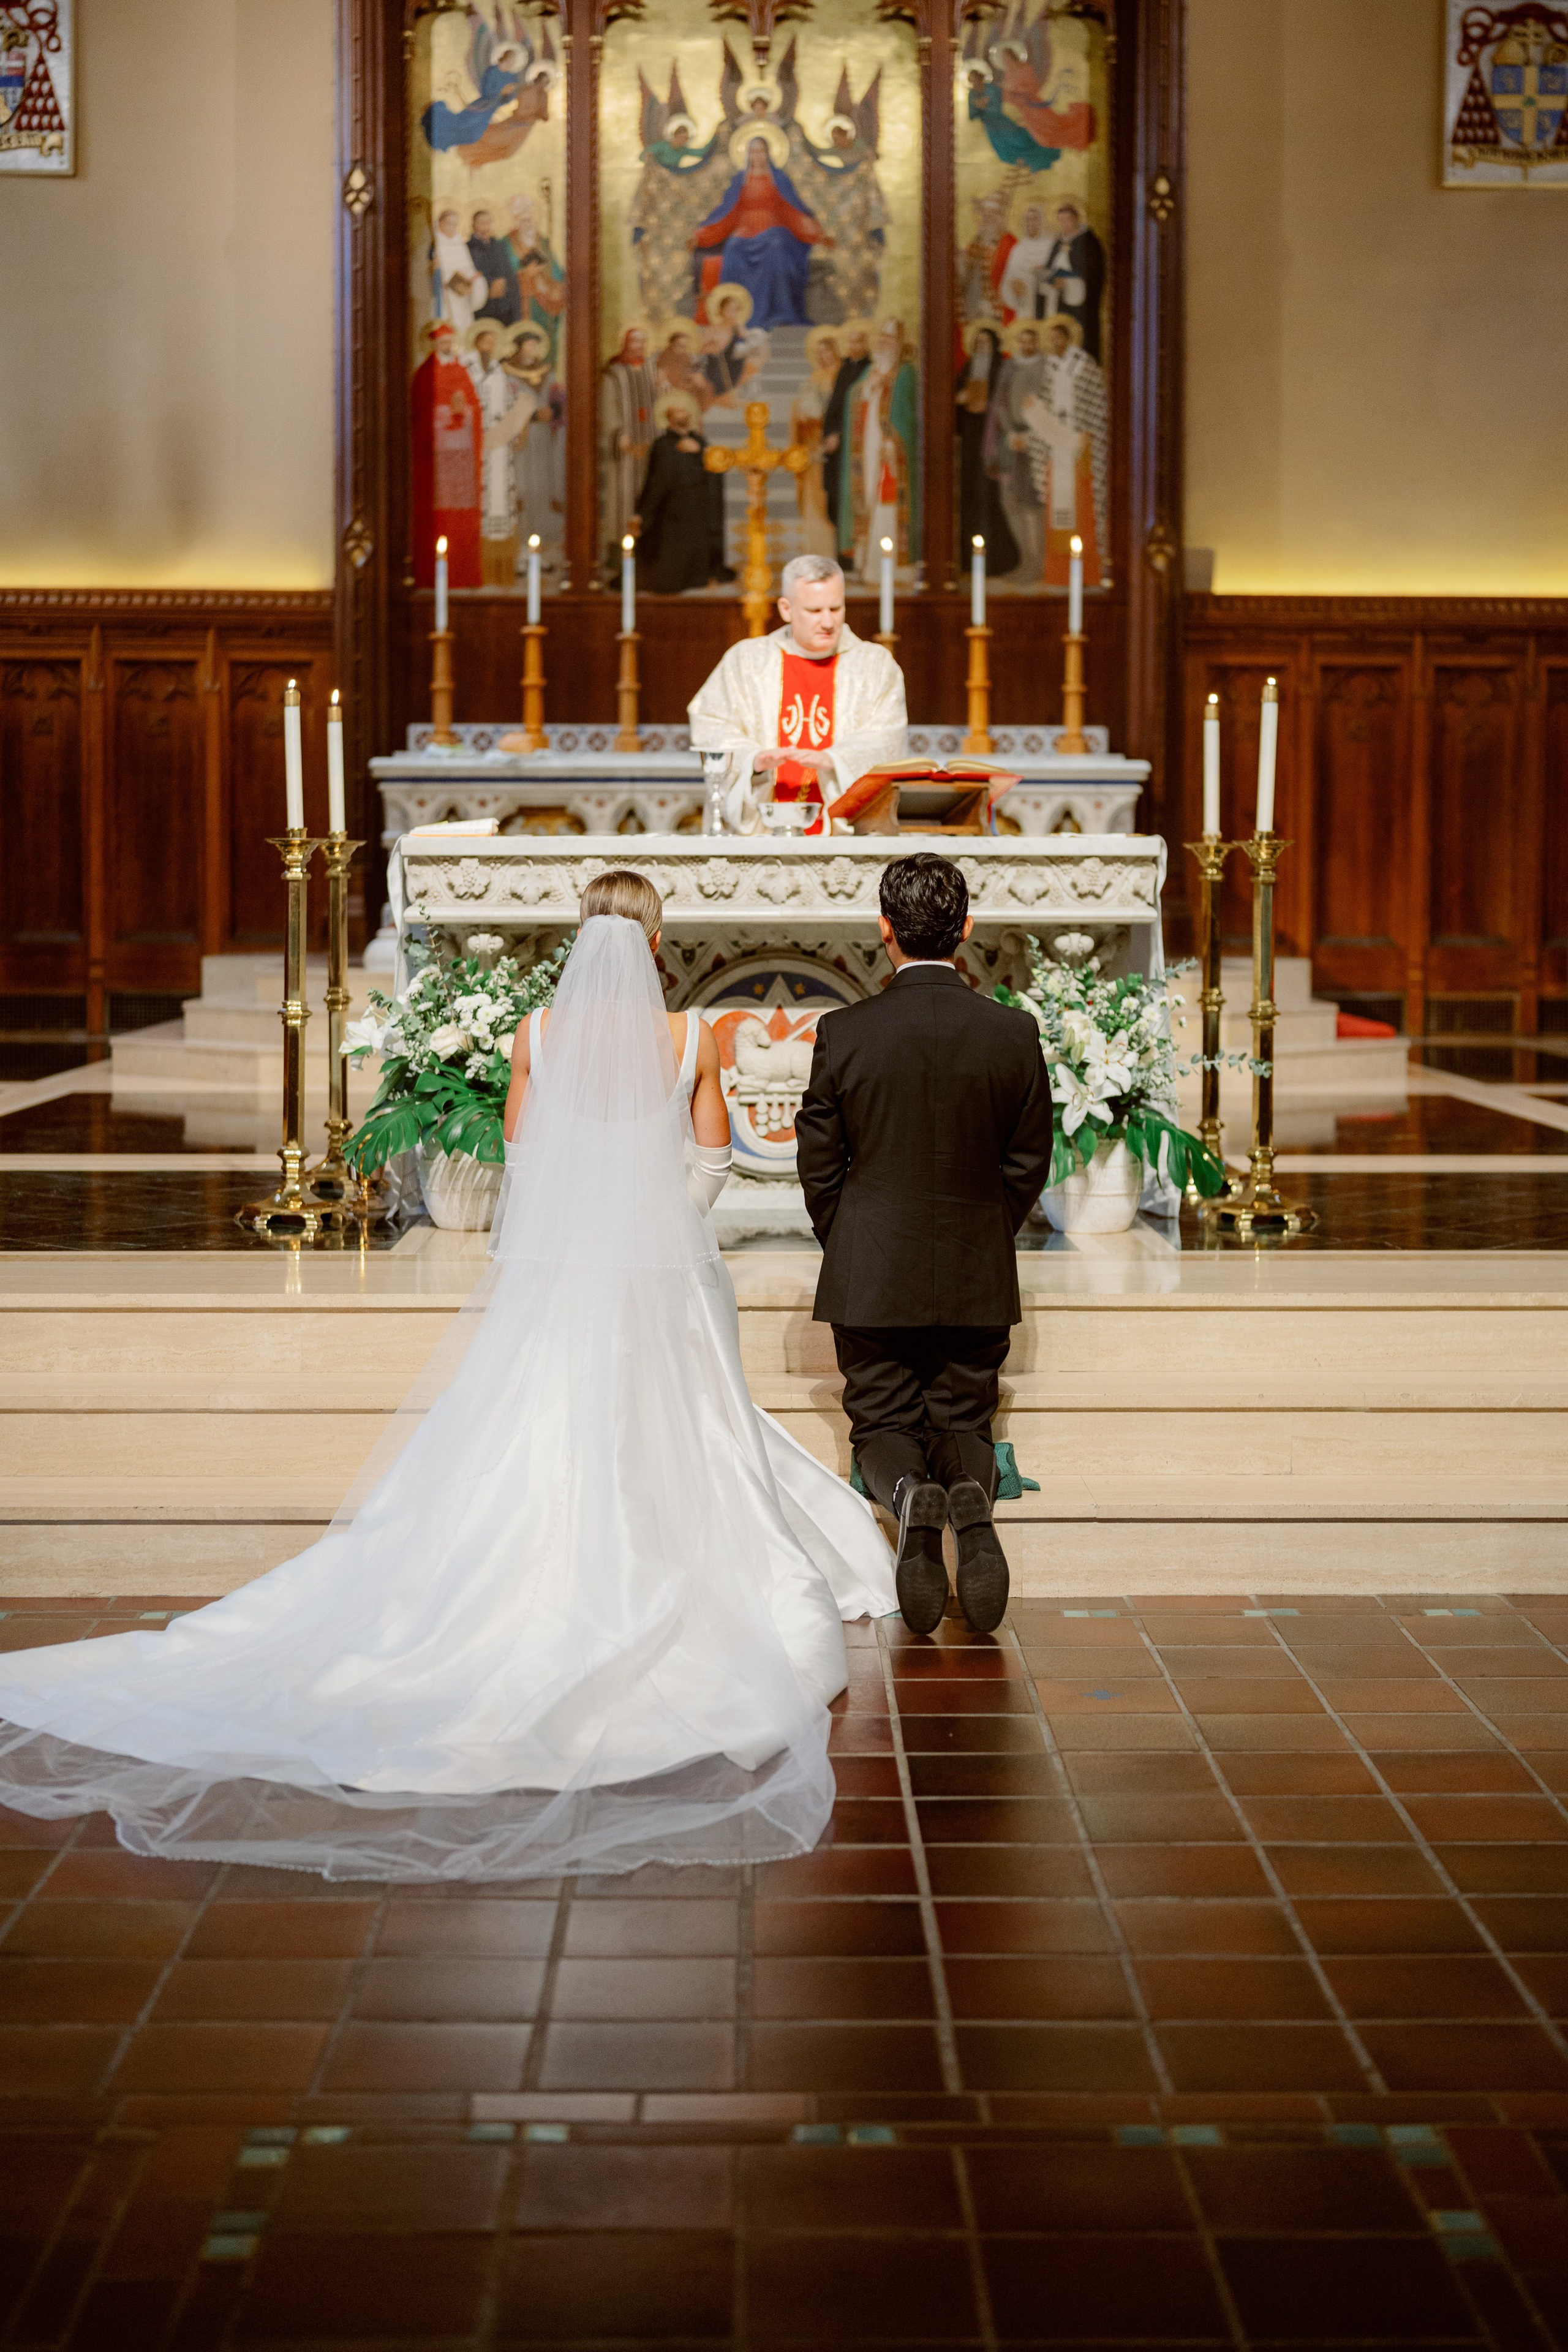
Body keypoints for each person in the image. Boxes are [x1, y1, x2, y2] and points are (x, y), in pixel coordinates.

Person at [0, 873, 897, 1879]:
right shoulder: (695, 1037)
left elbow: (521, 1159)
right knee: (692, 1421)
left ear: (580, 938)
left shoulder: (535, 1035)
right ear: (654, 944)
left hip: (561, 1274)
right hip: (669, 1275)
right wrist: (664, 1235)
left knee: (540, 1418)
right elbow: (714, 1162)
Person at [795, 854, 1054, 1635]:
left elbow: (817, 1162)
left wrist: (850, 1242)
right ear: (966, 930)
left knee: (879, 1421)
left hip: (870, 1270)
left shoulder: (845, 1032)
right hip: (975, 1269)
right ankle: (971, 1508)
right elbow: (1027, 1160)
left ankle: (908, 1500)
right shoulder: (1012, 1032)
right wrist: (981, 1230)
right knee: (964, 1421)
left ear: (884, 931)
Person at [688, 554, 906, 835]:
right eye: (815, 611)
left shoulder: (875, 665)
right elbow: (711, 723)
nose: (828, 621)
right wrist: (753, 760)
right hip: (761, 834)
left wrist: (837, 760)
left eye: (836, 608)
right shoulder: (747, 660)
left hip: (842, 839)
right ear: (786, 609)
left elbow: (887, 738)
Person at [691, 130, 829, 331]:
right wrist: (701, 234)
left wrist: (815, 232)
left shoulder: (779, 178)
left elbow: (792, 209)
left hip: (774, 229)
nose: (758, 156)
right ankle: (735, 313)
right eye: (753, 152)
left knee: (777, 247)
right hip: (745, 232)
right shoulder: (740, 179)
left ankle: (780, 311)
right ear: (748, 154)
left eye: (762, 151)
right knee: (733, 248)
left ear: (768, 153)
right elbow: (727, 211)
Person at [844, 317, 918, 576]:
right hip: (866, 448)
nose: (884, 344)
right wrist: (865, 389)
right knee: (867, 497)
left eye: (890, 340)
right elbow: (855, 398)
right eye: (881, 339)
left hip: (890, 449)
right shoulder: (870, 371)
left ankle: (894, 564)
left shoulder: (906, 373)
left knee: (888, 499)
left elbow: (909, 416)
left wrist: (894, 442)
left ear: (899, 345)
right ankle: (868, 563)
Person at [635, 390, 725, 593]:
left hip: (698, 511)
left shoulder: (701, 443)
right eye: (676, 412)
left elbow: (715, 468)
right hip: (671, 514)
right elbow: (656, 482)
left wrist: (700, 453)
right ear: (668, 417)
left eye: (684, 411)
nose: (681, 415)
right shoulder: (662, 445)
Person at [986, 320, 1047, 584]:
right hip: (1011, 442)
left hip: (1038, 442)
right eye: (1021, 340)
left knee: (1033, 504)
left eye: (1031, 339)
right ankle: (1025, 560)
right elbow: (1000, 402)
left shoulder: (1046, 366)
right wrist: (1010, 432)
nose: (1026, 345)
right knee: (1010, 501)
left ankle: (1039, 563)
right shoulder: (1009, 366)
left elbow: (1050, 402)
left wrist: (1031, 433)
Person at [955, 324, 1019, 574]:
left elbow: (1007, 402)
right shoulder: (968, 368)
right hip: (971, 441)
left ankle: (996, 560)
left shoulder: (1001, 369)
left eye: (986, 343)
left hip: (994, 442)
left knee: (992, 498)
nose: (981, 347)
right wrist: (959, 400)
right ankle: (968, 560)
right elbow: (956, 401)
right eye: (977, 342)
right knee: (971, 497)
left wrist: (990, 407)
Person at [600, 325, 657, 570]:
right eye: (635, 342)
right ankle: (618, 553)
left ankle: (646, 552)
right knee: (622, 498)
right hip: (625, 449)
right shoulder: (614, 373)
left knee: (648, 493)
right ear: (626, 344)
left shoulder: (651, 369)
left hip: (650, 443)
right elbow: (608, 405)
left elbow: (663, 400)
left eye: (643, 343)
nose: (639, 347)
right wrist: (619, 433)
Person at [1039, 198, 1106, 360]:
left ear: (1076, 219)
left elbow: (1092, 274)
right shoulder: (1059, 242)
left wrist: (1067, 282)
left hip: (1080, 303)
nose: (1065, 224)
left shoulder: (1089, 242)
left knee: (1079, 337)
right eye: (1061, 221)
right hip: (1059, 299)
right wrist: (1048, 277)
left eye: (1068, 220)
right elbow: (1051, 268)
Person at [468, 204, 521, 328]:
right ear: (474, 225)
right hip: (483, 307)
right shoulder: (468, 248)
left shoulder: (499, 246)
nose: (485, 226)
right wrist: (490, 285)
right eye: (481, 222)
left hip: (505, 307)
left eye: (488, 222)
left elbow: (510, 275)